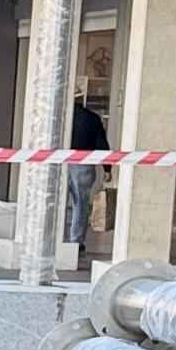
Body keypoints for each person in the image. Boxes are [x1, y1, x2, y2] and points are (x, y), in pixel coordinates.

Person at [67, 92, 110, 250]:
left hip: (58, 162)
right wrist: (107, 168)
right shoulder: (92, 119)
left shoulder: (61, 118)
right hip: (83, 164)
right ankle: (75, 241)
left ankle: (57, 238)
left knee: (56, 202)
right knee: (81, 204)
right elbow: (101, 144)